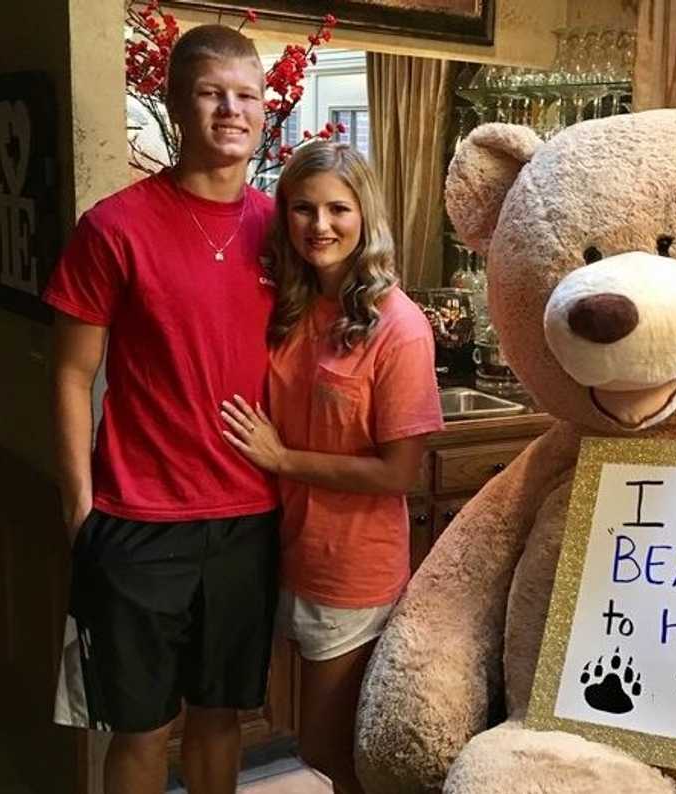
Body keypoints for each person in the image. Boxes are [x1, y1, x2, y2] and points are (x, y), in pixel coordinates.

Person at [47, 25, 280, 794]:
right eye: (212, 92)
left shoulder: (284, 230)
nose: (230, 110)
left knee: (220, 720)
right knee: (140, 727)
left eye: (246, 94)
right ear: (178, 102)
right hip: (138, 521)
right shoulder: (113, 227)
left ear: (265, 106)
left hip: (248, 517)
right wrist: (80, 508)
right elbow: (72, 374)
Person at [218, 141, 443, 793]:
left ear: (364, 216)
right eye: (303, 209)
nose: (320, 225)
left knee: (329, 747)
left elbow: (400, 473)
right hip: (280, 548)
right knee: (300, 737)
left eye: (338, 209)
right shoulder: (289, 306)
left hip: (351, 565)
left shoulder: (398, 327)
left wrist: (283, 458)